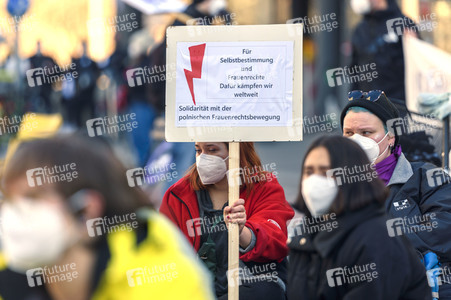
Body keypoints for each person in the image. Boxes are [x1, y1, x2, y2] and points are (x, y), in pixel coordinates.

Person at [0, 134, 215, 300]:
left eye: (32, 198)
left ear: (86, 211)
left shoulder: (166, 284)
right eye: (9, 200)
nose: (14, 213)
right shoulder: (11, 276)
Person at [287, 135, 431, 299]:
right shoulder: (306, 234)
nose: (314, 181)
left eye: (326, 172)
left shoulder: (376, 239)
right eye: (309, 172)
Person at [341, 90, 451, 299]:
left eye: (365, 133)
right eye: (348, 133)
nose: (356, 141)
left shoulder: (426, 177)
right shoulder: (330, 187)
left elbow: (445, 228)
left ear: (390, 137)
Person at [160, 142, 294, 299]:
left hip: (250, 287)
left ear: (237, 151)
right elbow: (162, 250)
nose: (203, 158)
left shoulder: (264, 187)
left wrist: (243, 233)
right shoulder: (178, 194)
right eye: (198, 150)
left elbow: (275, 239)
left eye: (212, 150)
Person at [350, 0, 417, 101]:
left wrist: (413, 43)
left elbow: (417, 66)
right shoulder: (360, 30)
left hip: (398, 105)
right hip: (369, 107)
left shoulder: (403, 24)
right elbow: (355, 72)